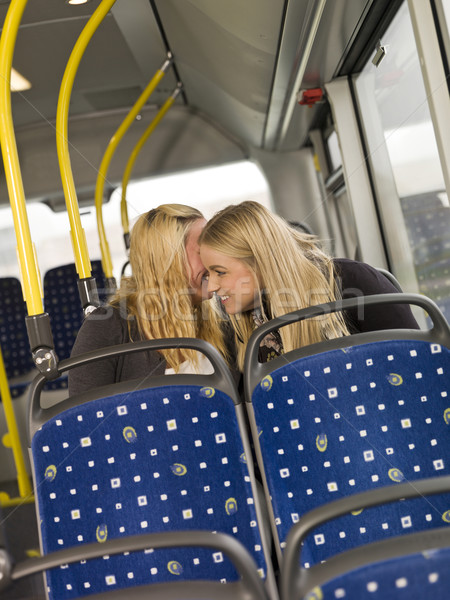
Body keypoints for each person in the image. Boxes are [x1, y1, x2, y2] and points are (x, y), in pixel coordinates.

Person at [199, 201, 419, 371]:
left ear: (260, 260)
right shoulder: (242, 330)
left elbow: (416, 362)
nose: (211, 288)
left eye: (220, 272)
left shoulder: (352, 283)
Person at [68, 204, 228, 396]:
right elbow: (85, 418)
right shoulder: (107, 329)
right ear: (168, 261)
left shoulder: (222, 313)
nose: (217, 258)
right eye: (203, 251)